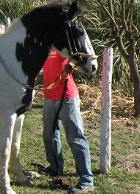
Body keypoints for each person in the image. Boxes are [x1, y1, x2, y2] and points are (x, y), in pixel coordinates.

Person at [42, 48, 94, 194]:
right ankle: (55, 167)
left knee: (75, 138)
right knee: (49, 135)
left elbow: (82, 57)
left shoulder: (63, 45)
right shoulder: (44, 46)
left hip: (67, 97)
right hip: (49, 96)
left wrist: (72, 64)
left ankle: (86, 180)